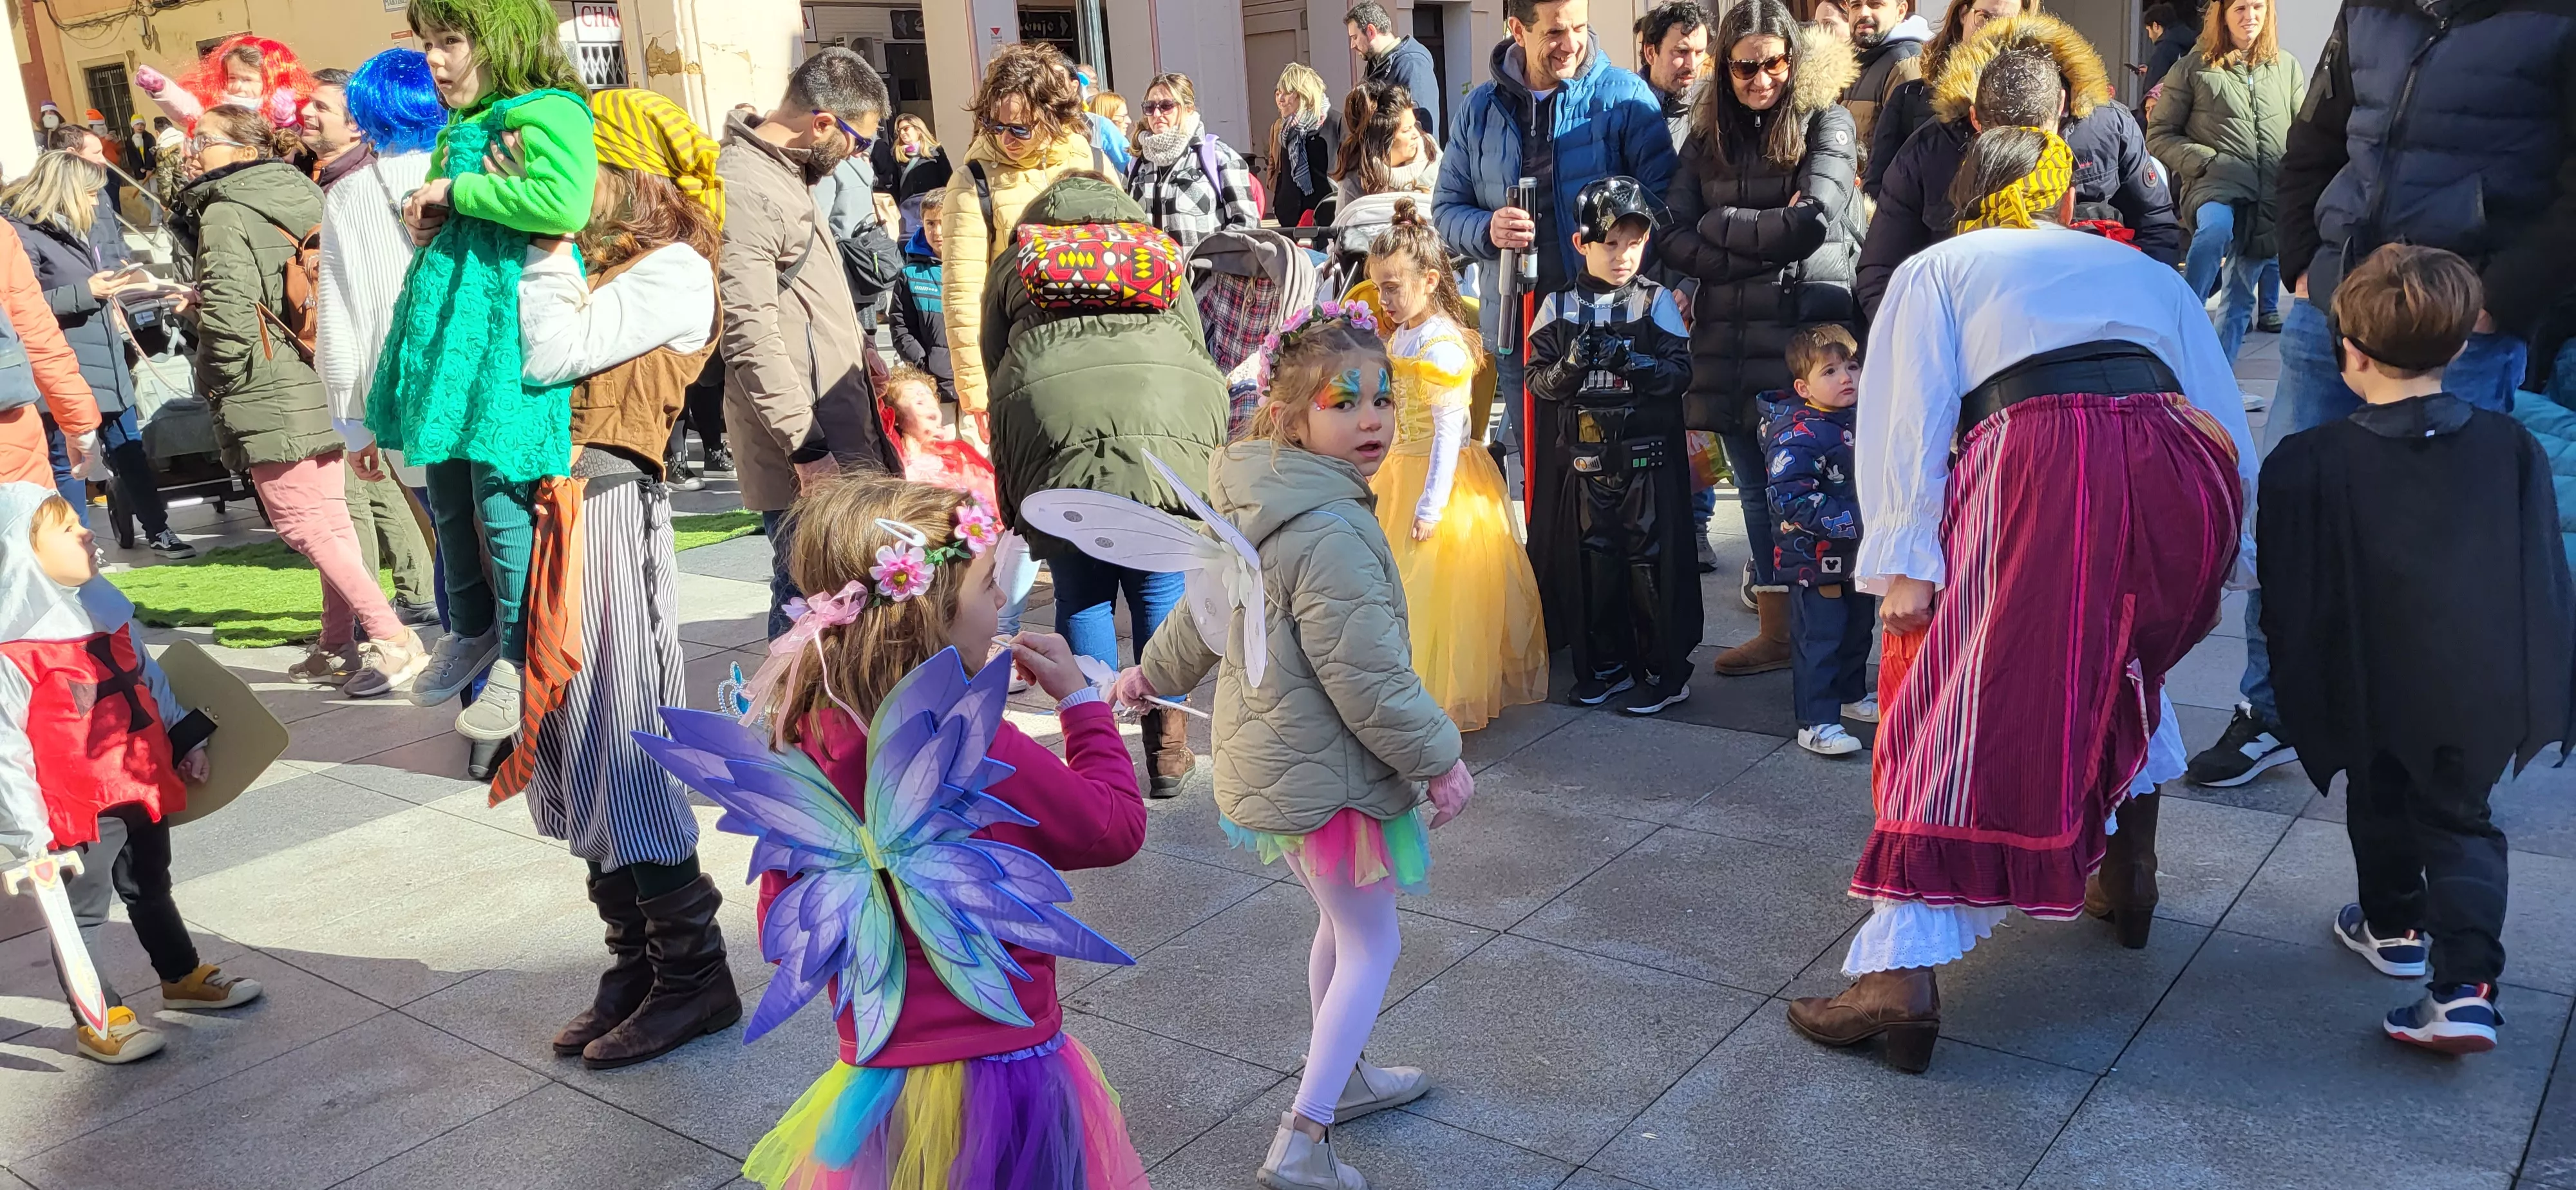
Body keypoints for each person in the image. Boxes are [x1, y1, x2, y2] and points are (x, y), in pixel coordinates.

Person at [1785, 125, 2254, 1073]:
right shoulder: (2150, 276)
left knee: (1954, 708)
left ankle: (1899, 982)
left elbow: (1905, 417)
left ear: (1968, 198)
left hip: (2047, 458)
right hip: (2177, 463)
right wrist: (2235, 547)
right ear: (2068, 201)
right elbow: (2217, 406)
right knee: (2121, 658)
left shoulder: (1940, 267)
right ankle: (2129, 873)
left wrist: (1904, 563)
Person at [702, 476, 1146, 1190]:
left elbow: (783, 928)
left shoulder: (802, 744)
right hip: (1011, 1064)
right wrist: (1083, 706)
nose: (1003, 599)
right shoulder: (978, 744)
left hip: (882, 1075)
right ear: (927, 614)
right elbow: (1115, 827)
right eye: (985, 586)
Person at [1116, 307, 1473, 1190]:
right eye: (1343, 401)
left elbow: (1201, 613)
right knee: (1373, 943)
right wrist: (1440, 756)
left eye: (1383, 399)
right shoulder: (1332, 529)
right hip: (1332, 773)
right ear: (1290, 415)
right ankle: (1302, 1140)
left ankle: (1343, 1075)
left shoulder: (1258, 494)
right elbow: (1369, 679)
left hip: (1279, 759)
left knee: (1345, 927)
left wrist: (1146, 676)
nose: (1373, 419)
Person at [2186, 0, 2576, 790]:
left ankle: (2429, 744)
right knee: (2289, 517)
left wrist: (2498, 298)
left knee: (2437, 545)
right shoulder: (2370, 7)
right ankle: (2272, 709)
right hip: (2332, 303)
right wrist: (2303, 262)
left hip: (2460, 321)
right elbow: (2318, 136)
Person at [2260, 245, 2575, 1055]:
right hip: (2475, 673)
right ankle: (2466, 987)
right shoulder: (2510, 447)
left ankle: (2395, 925)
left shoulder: (2311, 459)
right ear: (2462, 345)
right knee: (2462, 819)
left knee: (2378, 791)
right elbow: (2538, 568)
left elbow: (2290, 592)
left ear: (2348, 351)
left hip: (2368, 672)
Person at [492, 86, 739, 1070]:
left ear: (624, 173)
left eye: (572, 167)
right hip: (550, 517)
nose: (552, 189)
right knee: (570, 743)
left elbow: (554, 352)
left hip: (604, 511)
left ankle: (697, 974)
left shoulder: (676, 267)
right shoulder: (592, 263)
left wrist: (543, 241)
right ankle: (637, 960)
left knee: (621, 740)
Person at [372, 0, 597, 741]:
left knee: (501, 500)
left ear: (501, 41)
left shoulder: (551, 112)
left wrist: (457, 192)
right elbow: (460, 213)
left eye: (451, 42)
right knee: (444, 490)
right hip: (452, 337)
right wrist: (426, 217)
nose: (434, 60)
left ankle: (517, 651)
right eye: (426, 43)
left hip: (505, 338)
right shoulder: (463, 127)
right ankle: (467, 628)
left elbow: (562, 203)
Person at [981, 173, 1228, 796]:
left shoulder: (1020, 259)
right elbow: (1195, 346)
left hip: (1055, 429)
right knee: (1159, 590)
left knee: (1083, 594)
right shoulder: (1156, 252)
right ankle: (1169, 751)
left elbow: (994, 359)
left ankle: (1097, 744)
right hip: (1164, 427)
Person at [0, 487, 261, 1065]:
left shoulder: (106, 610)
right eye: (69, 529)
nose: (88, 532)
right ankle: (98, 1014)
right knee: (84, 909)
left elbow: (149, 681)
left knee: (151, 884)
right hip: (74, 804)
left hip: (140, 781)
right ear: (19, 552)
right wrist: (27, 838)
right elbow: (5, 750)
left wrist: (182, 740)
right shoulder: (13, 651)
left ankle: (181, 976)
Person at [175, 108, 429, 697]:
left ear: (242, 150)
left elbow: (231, 314)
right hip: (318, 369)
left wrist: (214, 379)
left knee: (303, 524)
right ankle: (335, 643)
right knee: (330, 522)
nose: (193, 151)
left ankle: (392, 639)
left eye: (204, 140)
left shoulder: (224, 211)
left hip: (267, 383)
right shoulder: (303, 189)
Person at [1660, 0, 1864, 679]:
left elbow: (1812, 222)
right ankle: (1779, 632)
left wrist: (1719, 226)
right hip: (1731, 339)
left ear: (1792, 59)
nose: (1759, 78)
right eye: (1744, 65)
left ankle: (1827, 637)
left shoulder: (1827, 118)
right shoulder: (1706, 133)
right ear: (1725, 66)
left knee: (1818, 488)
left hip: (1806, 334)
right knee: (1755, 490)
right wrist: (1746, 240)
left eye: (1772, 62)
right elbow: (1671, 231)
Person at [1434, 0, 1677, 460]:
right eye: (1554, 33)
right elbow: (1446, 210)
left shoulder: (1624, 98)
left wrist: (1620, 243)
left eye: (1580, 28)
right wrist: (1489, 228)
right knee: (1543, 469)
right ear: (1517, 30)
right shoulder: (1479, 109)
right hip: (1520, 327)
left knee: (1612, 472)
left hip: (1613, 324)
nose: (1571, 45)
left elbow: (1668, 207)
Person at [715, 46, 899, 639]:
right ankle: (785, 730)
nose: (859, 157)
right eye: (859, 142)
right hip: (805, 445)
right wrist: (807, 447)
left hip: (835, 429)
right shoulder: (746, 184)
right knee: (810, 609)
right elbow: (748, 333)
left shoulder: (785, 174)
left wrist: (860, 348)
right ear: (823, 123)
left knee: (841, 604)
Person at [1856, 13, 2183, 321]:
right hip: (1968, 327)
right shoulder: (1929, 150)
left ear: (2061, 107)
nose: (2018, 150)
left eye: (2033, 134)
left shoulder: (2109, 128)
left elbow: (2155, 224)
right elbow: (1880, 273)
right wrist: (1929, 339)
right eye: (2000, 133)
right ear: (1974, 117)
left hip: (2105, 316)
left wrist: (2142, 309)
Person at [1363, 200, 1548, 729]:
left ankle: (1436, 696)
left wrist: (1430, 504)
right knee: (1397, 585)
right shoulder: (1401, 335)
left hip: (1442, 484)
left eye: (1393, 286)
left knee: (1434, 590)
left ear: (1427, 280)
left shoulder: (1441, 342)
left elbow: (1449, 432)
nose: (1385, 298)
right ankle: (1399, 688)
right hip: (1402, 470)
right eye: (1379, 286)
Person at [1524, 176, 1698, 715]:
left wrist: (1632, 361)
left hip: (1646, 461)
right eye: (1611, 242)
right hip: (1584, 464)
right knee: (1594, 565)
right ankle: (1606, 665)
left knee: (1649, 564)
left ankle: (1661, 669)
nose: (1624, 255)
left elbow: (1679, 375)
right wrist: (1575, 363)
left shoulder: (1655, 302)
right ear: (1583, 243)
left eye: (1635, 241)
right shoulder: (1558, 305)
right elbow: (1537, 383)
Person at [0, 153, 192, 560]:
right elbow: (26, 308)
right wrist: (89, 292)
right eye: (89, 194)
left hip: (106, 355)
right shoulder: (20, 232)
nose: (95, 203)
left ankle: (159, 530)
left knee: (129, 449)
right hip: (61, 363)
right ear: (65, 191)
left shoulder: (81, 231)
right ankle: (71, 546)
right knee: (68, 466)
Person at [304, 59, 438, 628]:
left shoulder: (351, 195)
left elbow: (339, 318)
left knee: (452, 551)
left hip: (405, 399)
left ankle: (478, 691)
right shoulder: (485, 173)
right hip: (492, 390)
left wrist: (353, 424)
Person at [942, 42, 1103, 454]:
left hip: (1097, 350)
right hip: (1022, 357)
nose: (1007, 139)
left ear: (1052, 115)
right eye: (996, 127)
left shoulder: (1091, 164)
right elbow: (963, 290)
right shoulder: (972, 181)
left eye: (1020, 128)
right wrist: (975, 390)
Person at [2145, 0, 2301, 364]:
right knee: (2215, 229)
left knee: (2241, 296)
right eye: (2240, 9)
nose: (2250, 17)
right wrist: (2207, 161)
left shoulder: (2287, 67)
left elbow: (2303, 132)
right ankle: (2187, 311)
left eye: (2257, 7)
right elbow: (2160, 134)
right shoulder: (2191, 67)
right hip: (2215, 182)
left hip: (2268, 195)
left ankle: (2221, 384)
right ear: (2223, 16)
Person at [1761, 325, 1873, 755]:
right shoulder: (1796, 433)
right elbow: (1790, 498)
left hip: (1856, 554)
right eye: (1830, 371)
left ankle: (1851, 694)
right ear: (1803, 386)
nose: (1846, 377)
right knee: (1819, 638)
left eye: (1852, 365)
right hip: (1812, 557)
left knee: (1858, 629)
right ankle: (1817, 721)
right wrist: (1855, 521)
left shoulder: (1858, 417)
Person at [1862, 0, 2031, 200]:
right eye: (1984, 18)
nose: (1993, 32)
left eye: (2006, 22)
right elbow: (1877, 191)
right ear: (1964, 15)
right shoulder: (1909, 98)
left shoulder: (2035, 101)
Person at [1126, 73, 1261, 254]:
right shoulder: (1137, 164)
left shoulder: (1219, 156)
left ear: (1188, 109)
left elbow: (1247, 226)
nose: (1157, 114)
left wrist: (1213, 266)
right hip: (1151, 278)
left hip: (1204, 279)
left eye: (1166, 106)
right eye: (1150, 107)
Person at [133, 33, 312, 130]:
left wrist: (287, 123)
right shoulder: (220, 107)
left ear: (270, 81)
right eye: (232, 78)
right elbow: (188, 109)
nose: (237, 86)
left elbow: (292, 153)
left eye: (248, 80)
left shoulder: (277, 113)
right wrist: (163, 89)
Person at [880, 363, 994, 509]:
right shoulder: (898, 455)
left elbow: (986, 495)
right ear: (897, 418)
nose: (928, 403)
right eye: (919, 402)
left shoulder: (953, 453)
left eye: (931, 399)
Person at [1332, 82, 1438, 214]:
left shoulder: (1434, 158)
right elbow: (1345, 232)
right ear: (1381, 142)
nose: (1416, 135)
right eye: (1406, 130)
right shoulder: (1354, 184)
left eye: (1415, 126)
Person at [888, 189, 952, 403]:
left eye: (944, 222)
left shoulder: (977, 267)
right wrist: (921, 362)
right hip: (933, 382)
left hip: (973, 379)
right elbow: (900, 325)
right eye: (930, 223)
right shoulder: (911, 274)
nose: (938, 231)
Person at [1839, 0, 1930, 147]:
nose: (1863, 13)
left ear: (1900, 12)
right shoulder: (1858, 61)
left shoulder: (1905, 66)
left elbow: (1905, 156)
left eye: (1875, 4)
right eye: (1856, 5)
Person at [1349, 0, 1444, 137]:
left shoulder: (1412, 63)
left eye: (1355, 37)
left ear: (1371, 31)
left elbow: (1421, 128)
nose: (1353, 45)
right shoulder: (1376, 64)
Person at [1268, 63, 1339, 229]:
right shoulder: (1285, 129)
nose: (1281, 99)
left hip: (1325, 222)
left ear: (1305, 94)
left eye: (1287, 93)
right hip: (1290, 221)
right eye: (1278, 93)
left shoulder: (1333, 123)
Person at [1637, 1, 1710, 147]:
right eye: (1682, 52)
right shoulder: (1621, 109)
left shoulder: (1711, 111)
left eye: (1699, 53)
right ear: (1651, 53)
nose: (1693, 65)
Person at [885, 112, 949, 241]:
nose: (902, 133)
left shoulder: (935, 152)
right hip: (909, 211)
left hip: (933, 207)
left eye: (906, 128)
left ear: (918, 130)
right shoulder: (896, 155)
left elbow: (948, 179)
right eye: (899, 131)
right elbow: (893, 186)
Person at [2137, 3, 2198, 97]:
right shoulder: (2192, 43)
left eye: (2148, 30)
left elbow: (2152, 90)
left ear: (2155, 26)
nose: (2149, 35)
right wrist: (2151, 69)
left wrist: (2154, 70)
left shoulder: (2164, 49)